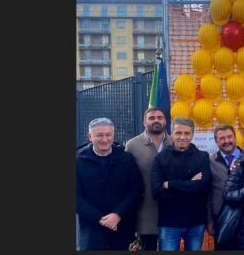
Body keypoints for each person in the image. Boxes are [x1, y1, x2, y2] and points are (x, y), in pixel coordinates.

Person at [77, 118, 143, 250]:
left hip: (121, 226)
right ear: (89, 136)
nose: (104, 139)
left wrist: (118, 214)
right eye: (99, 135)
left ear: (113, 135)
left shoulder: (126, 159)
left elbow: (136, 190)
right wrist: (99, 218)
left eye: (108, 135)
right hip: (91, 229)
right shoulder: (78, 161)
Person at [151, 117, 211, 251]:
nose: (182, 137)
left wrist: (170, 184)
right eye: (178, 133)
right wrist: (190, 184)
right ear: (172, 133)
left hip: (196, 222)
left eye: (187, 133)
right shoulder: (161, 158)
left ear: (192, 135)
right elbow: (157, 191)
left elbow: (203, 187)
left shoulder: (202, 157)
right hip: (169, 223)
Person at [124, 106, 172, 250]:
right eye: (151, 118)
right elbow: (127, 179)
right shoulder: (132, 145)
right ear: (144, 122)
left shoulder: (175, 143)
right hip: (145, 211)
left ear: (165, 121)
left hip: (173, 210)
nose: (156, 121)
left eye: (159, 117)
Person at [206, 123, 244, 242]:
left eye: (229, 137)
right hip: (220, 217)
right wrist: (209, 220)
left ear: (235, 138)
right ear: (216, 142)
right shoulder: (209, 162)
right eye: (222, 138)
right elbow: (207, 194)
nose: (227, 141)